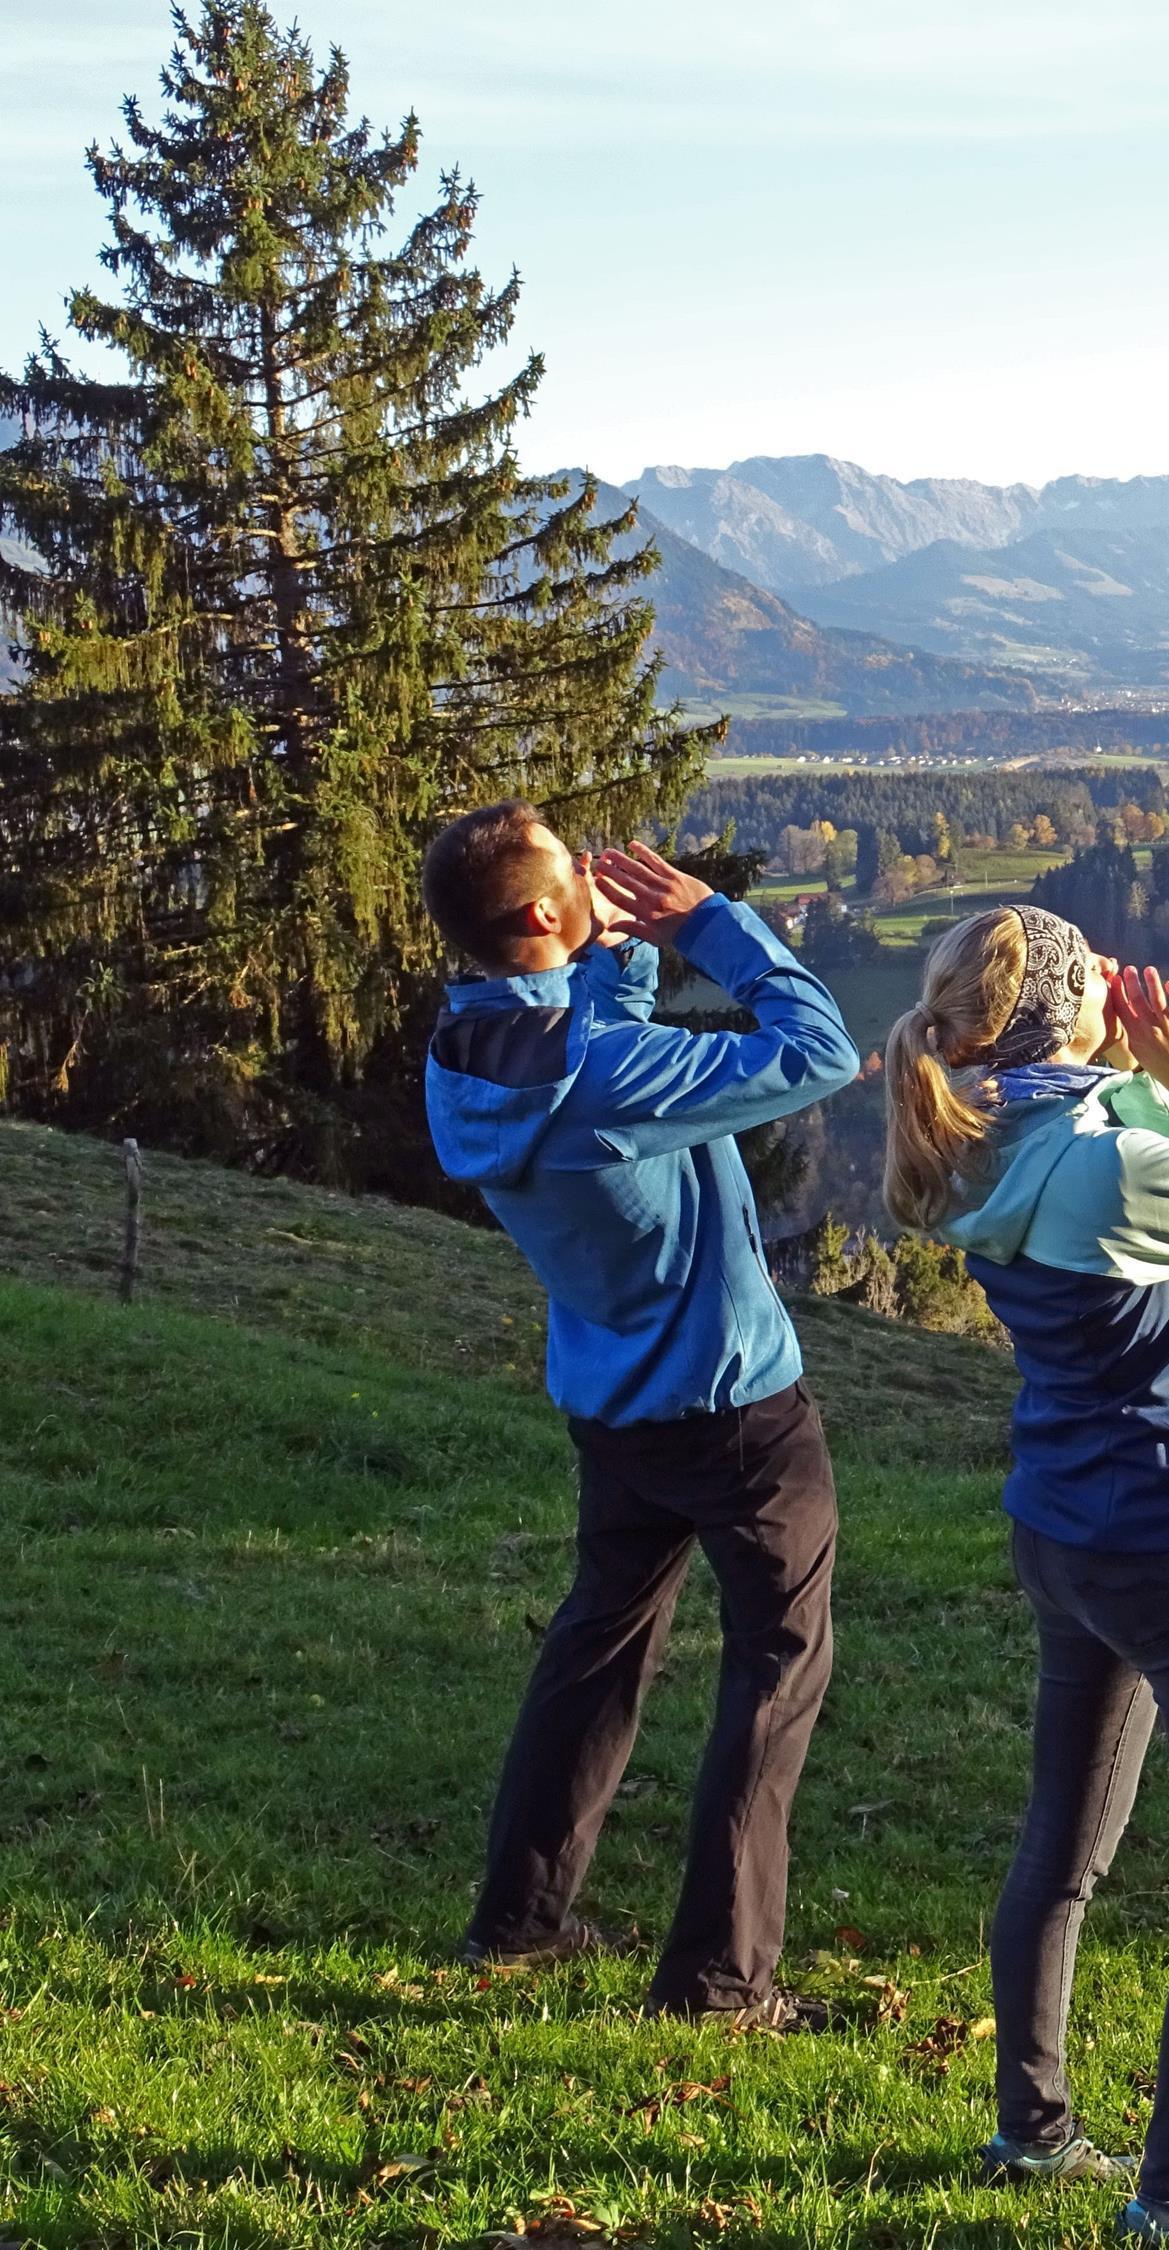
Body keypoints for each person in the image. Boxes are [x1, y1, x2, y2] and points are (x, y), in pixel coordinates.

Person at [883, 904, 1169, 2249]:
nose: (1112, 985)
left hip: (1065, 1526)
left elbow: (1124, 1162)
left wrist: (1140, 1087)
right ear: (1068, 1012)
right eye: (1091, 973)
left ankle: (1032, 2134)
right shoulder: (1106, 1166)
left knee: (1063, 1844)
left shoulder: (981, 1136)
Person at [419, 806, 860, 2027]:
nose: (590, 874)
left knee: (596, 1651)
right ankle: (720, 1983)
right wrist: (710, 924)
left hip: (614, 1405)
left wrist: (608, 954)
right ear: (540, 911)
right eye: (574, 869)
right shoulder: (609, 1078)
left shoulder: (468, 1052)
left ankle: (519, 1920)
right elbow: (818, 1049)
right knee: (776, 1671)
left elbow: (577, 1038)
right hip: (736, 1412)